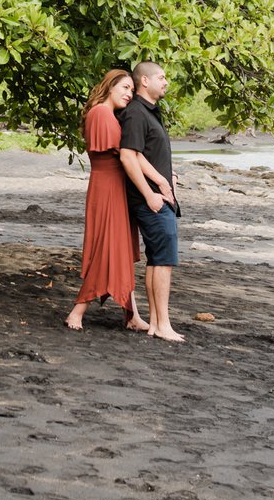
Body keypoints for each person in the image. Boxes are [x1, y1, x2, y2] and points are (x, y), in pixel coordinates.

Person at [65, 69, 149, 332]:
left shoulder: (106, 114)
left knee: (119, 249)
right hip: (107, 187)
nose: (128, 94)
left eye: (131, 91)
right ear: (110, 87)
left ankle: (131, 314)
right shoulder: (101, 113)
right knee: (106, 248)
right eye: (124, 88)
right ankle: (77, 310)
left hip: (112, 187)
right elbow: (127, 155)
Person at [119, 60, 185, 342]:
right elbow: (127, 155)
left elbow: (144, 154)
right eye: (161, 77)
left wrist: (165, 174)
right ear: (144, 81)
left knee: (160, 259)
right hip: (151, 201)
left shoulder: (149, 112)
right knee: (163, 260)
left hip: (159, 196)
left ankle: (158, 322)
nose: (166, 81)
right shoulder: (135, 112)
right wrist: (151, 193)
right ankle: (163, 324)